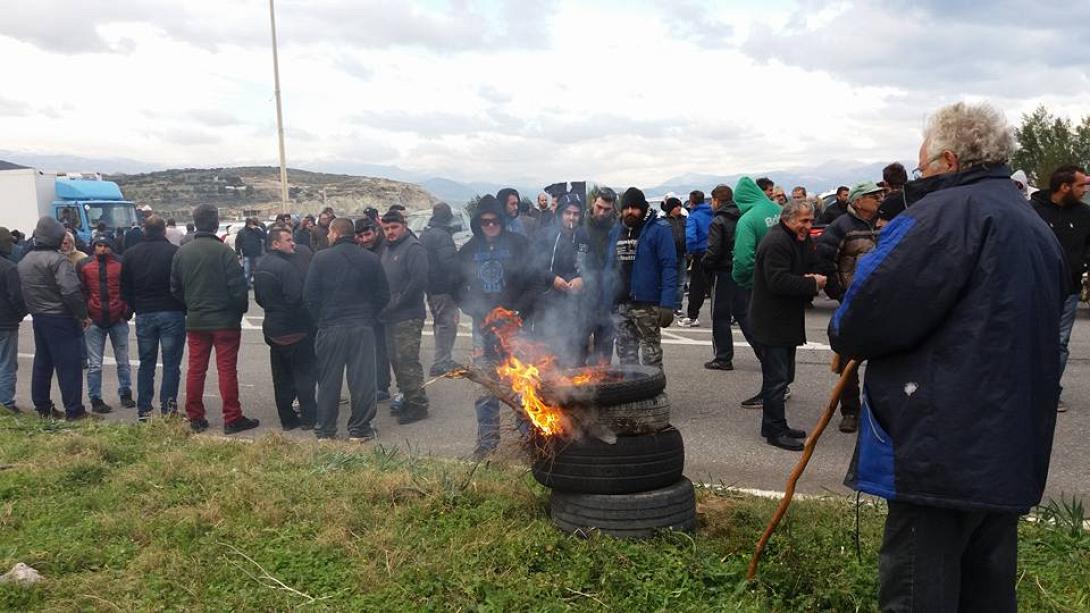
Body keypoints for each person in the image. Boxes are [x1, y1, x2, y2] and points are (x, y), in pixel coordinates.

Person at [831, 102, 1067, 611]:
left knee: (920, 592)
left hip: (941, 446)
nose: (919, 176)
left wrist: (843, 331)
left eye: (921, 168)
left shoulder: (941, 217)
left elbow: (864, 317)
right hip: (1008, 442)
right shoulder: (1029, 221)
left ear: (948, 160)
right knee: (986, 588)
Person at [454, 195, 550, 459]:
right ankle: (486, 442)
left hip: (515, 327)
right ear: (477, 224)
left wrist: (517, 311)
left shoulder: (519, 245)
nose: (490, 226)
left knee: (523, 383)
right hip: (482, 330)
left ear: (502, 221)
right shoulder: (469, 250)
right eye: (484, 222)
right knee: (485, 386)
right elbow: (457, 286)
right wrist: (478, 311)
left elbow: (536, 283)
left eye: (495, 221)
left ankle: (529, 437)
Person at [171, 204, 259, 435]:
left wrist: (191, 305)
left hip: (197, 319)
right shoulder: (225, 252)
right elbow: (238, 289)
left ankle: (195, 416)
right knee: (227, 370)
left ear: (195, 222)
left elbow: (175, 288)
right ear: (216, 223)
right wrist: (238, 312)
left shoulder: (182, 253)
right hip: (225, 320)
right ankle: (232, 417)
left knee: (196, 369)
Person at [304, 217, 390, 441]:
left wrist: (321, 320)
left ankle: (325, 430)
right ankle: (360, 429)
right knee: (362, 381)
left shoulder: (321, 259)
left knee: (328, 381)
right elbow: (383, 295)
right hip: (361, 326)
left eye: (329, 234)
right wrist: (368, 316)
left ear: (334, 233)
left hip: (331, 326)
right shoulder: (370, 259)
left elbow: (310, 296)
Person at [750, 199, 824, 451]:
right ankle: (774, 429)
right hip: (772, 322)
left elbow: (808, 266)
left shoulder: (798, 240)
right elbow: (778, 281)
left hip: (785, 321)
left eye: (811, 220)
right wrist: (813, 283)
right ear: (788, 219)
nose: (808, 225)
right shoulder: (776, 242)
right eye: (804, 220)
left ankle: (774, 424)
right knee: (777, 379)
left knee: (784, 376)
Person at [815, 181, 882, 433]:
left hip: (880, 303)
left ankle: (876, 411)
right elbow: (824, 259)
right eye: (872, 196)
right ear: (857, 201)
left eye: (879, 195)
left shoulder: (883, 224)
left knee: (882, 360)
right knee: (848, 361)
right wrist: (841, 294)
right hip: (852, 303)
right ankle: (850, 411)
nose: (878, 199)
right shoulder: (840, 226)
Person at [1029, 164, 1090, 411]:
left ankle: (1049, 392)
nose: (1084, 190)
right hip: (1036, 288)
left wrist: (1084, 265)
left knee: (1059, 343)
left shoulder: (1086, 214)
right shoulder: (1033, 211)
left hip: (1069, 290)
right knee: (1031, 340)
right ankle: (1027, 388)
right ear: (1064, 187)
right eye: (1081, 185)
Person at [19, 217, 90, 420]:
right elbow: (70, 291)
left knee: (43, 362)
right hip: (60, 318)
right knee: (69, 366)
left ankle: (42, 406)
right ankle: (74, 411)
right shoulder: (58, 260)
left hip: (39, 317)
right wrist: (82, 314)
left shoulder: (25, 260)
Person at [121, 215, 187, 420]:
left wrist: (133, 306)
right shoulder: (174, 253)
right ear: (164, 231)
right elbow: (182, 283)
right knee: (171, 364)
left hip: (144, 312)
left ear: (144, 231)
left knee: (146, 362)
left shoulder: (131, 254)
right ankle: (168, 408)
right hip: (171, 310)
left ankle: (144, 409)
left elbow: (124, 286)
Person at [604, 187, 677, 370]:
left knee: (651, 358)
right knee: (626, 358)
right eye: (626, 207)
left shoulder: (659, 230)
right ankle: (632, 396)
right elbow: (609, 266)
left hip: (647, 305)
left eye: (634, 207)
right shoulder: (616, 231)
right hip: (621, 304)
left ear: (643, 208)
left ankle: (656, 397)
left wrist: (667, 303)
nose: (630, 211)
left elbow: (669, 267)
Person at [254, 227, 317, 431]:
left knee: (281, 377)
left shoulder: (262, 265)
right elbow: (296, 298)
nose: (293, 243)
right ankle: (309, 417)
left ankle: (287, 419)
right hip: (295, 328)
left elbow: (259, 299)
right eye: (288, 240)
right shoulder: (286, 267)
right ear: (275, 244)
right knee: (303, 375)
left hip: (273, 328)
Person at [731, 176, 782, 407]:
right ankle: (782, 385)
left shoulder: (748, 220)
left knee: (764, 339)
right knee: (782, 343)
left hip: (761, 290)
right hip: (786, 286)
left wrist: (744, 281)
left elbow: (743, 260)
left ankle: (771, 393)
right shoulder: (780, 210)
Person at [378, 209, 431, 425]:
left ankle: (418, 405)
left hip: (408, 315)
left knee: (408, 361)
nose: (390, 232)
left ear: (404, 226)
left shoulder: (413, 248)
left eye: (394, 227)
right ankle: (408, 398)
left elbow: (417, 282)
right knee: (396, 361)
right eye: (386, 228)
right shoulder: (388, 249)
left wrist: (396, 303)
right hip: (389, 316)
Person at [76, 237, 133, 414]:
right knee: (95, 364)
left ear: (111, 247)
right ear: (94, 247)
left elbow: (129, 288)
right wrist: (84, 315)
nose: (102, 249)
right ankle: (95, 398)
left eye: (105, 246)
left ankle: (126, 392)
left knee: (123, 360)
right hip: (94, 318)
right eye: (99, 246)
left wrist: (126, 312)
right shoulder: (84, 265)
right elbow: (80, 291)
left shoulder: (121, 263)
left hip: (118, 317)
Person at [702, 184, 756, 371]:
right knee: (743, 313)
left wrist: (705, 264)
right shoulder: (743, 218)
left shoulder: (718, 221)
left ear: (716, 200)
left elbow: (713, 250)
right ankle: (764, 351)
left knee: (720, 316)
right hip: (740, 271)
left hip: (723, 272)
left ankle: (723, 357)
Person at [531, 194, 589, 365]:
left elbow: (592, 266)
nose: (572, 217)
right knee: (548, 356)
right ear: (560, 214)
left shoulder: (583, 237)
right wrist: (553, 279)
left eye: (576, 214)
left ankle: (574, 390)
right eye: (568, 213)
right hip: (548, 304)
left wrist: (583, 279)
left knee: (575, 355)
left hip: (575, 306)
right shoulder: (544, 236)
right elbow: (534, 266)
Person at [420, 202, 461, 376]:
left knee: (440, 323)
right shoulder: (442, 236)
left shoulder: (426, 233)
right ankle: (442, 362)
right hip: (443, 288)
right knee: (447, 324)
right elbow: (449, 264)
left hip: (431, 288)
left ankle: (443, 359)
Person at [355, 217, 392, 402]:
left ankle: (383, 386)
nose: (364, 239)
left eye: (367, 234)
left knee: (383, 350)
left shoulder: (387, 249)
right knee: (370, 351)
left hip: (387, 307)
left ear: (376, 232)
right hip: (366, 309)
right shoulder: (360, 251)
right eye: (360, 236)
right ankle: (375, 385)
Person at [583, 188, 618, 365]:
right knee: (577, 353)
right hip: (583, 298)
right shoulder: (580, 226)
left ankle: (602, 389)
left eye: (607, 209)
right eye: (599, 207)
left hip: (608, 298)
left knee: (603, 356)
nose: (602, 212)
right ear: (593, 203)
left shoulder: (618, 229)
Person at [679, 190, 712, 327]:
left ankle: (692, 317)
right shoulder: (712, 213)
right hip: (714, 251)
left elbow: (691, 237)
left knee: (696, 287)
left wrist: (690, 252)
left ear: (691, 202)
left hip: (700, 254)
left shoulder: (693, 217)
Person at [0, 248, 27, 412]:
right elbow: (16, 296)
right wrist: (21, 313)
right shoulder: (8, 267)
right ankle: (6, 403)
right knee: (6, 363)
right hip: (6, 322)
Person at [236, 217, 265, 289]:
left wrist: (257, 229)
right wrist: (238, 253)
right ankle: (247, 284)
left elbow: (264, 236)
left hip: (256, 253)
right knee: (247, 271)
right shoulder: (241, 232)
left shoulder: (257, 230)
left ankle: (258, 283)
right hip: (247, 254)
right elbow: (238, 242)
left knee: (257, 270)